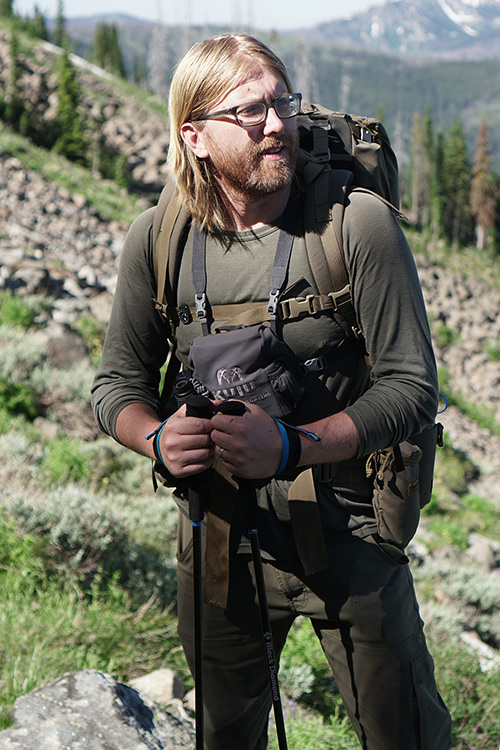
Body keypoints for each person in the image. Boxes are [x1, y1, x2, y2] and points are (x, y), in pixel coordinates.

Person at [91, 33, 452, 750]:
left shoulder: (356, 224)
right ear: (194, 135)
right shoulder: (158, 240)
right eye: (248, 111)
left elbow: (412, 387)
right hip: (219, 538)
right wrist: (158, 437)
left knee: (406, 737)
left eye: (281, 102)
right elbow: (117, 388)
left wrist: (293, 444)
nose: (277, 124)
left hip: (351, 533)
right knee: (225, 738)